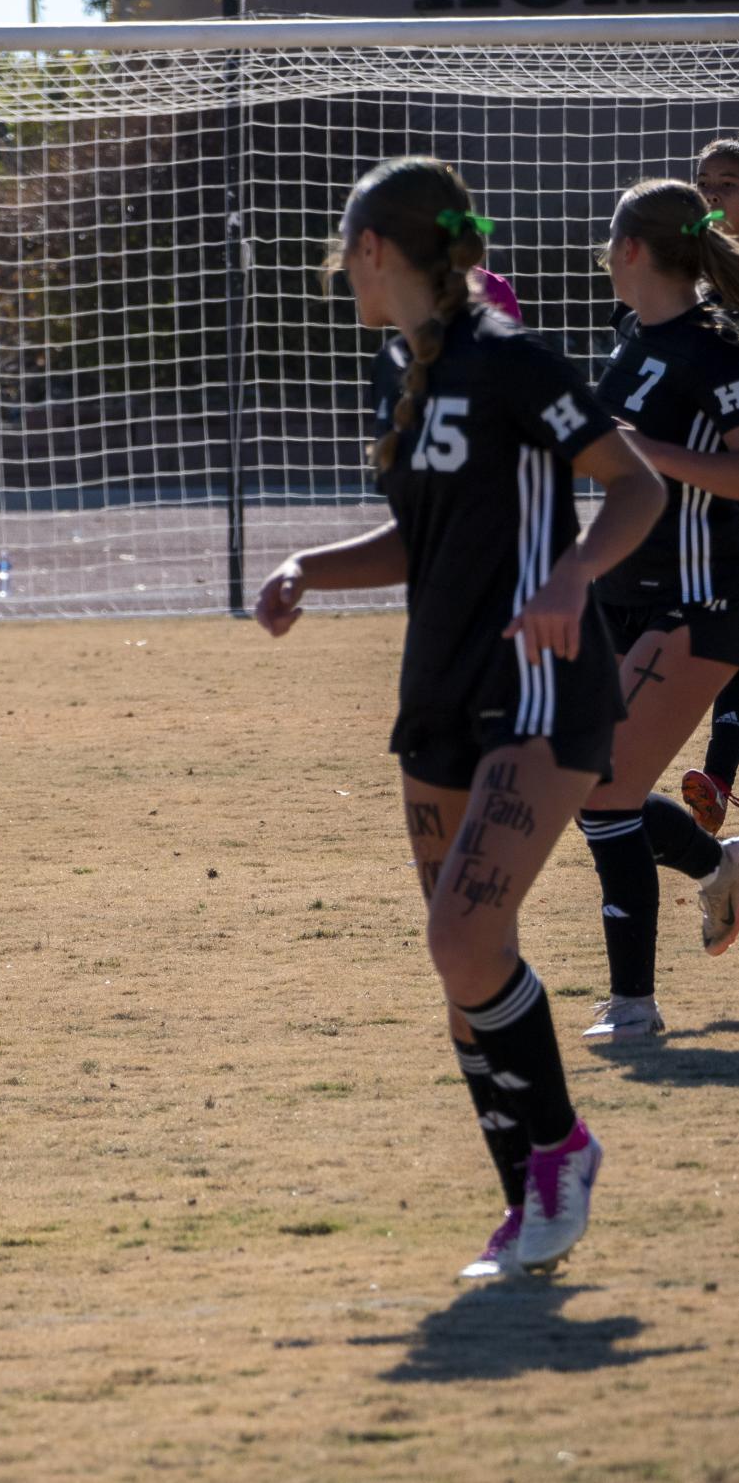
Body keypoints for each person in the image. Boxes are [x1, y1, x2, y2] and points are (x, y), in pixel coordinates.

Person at [255, 158, 664, 1279]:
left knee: (462, 940)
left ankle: (564, 1149)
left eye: (346, 254)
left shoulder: (517, 362)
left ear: (377, 251)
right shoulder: (403, 366)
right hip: (433, 694)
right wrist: (305, 568)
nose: (343, 273)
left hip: (536, 690)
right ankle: (529, 1208)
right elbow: (416, 541)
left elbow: (638, 487)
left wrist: (575, 576)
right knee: (465, 979)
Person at [579, 179, 739, 1043]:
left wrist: (649, 453)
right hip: (619, 591)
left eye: (608, 241)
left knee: (605, 793)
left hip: (697, 599)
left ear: (632, 248)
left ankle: (632, 1007)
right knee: (585, 784)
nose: (602, 255)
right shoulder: (629, 337)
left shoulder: (717, 353)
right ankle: (719, 867)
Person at [673, 139, 739, 832]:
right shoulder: (689, 287)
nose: (714, 194)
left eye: (727, 182)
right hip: (710, 501)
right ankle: (716, 777)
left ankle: (717, 776)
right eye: (703, 183)